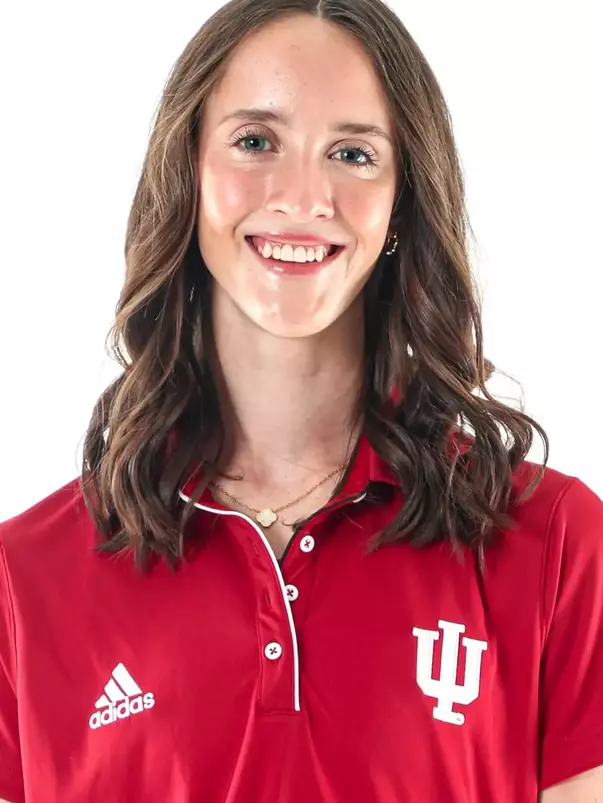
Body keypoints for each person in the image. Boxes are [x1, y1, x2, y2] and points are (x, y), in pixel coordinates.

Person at [1, 0, 602, 801]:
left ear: (400, 203)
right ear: (187, 171)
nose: (301, 195)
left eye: (352, 153)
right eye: (255, 141)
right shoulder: (24, 579)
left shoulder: (555, 544)